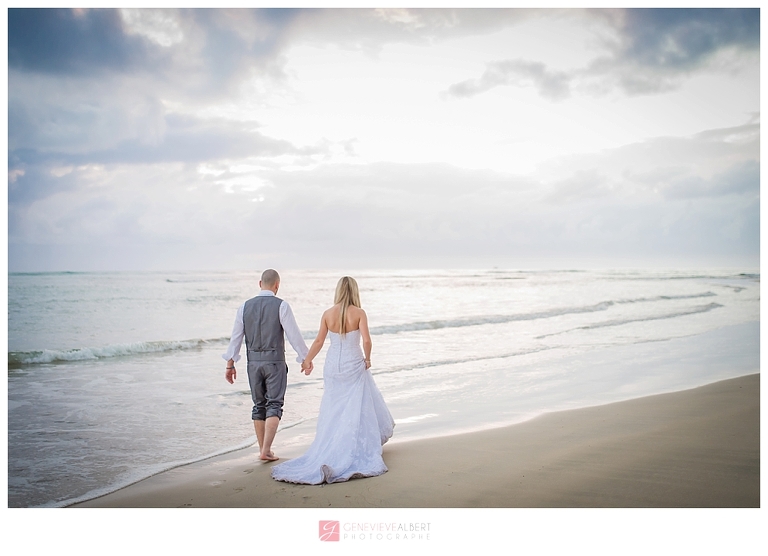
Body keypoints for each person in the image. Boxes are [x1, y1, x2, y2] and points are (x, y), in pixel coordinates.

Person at [271, 276, 394, 484]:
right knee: (355, 407)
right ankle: (352, 447)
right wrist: (368, 359)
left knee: (333, 407)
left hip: (332, 366)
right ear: (354, 291)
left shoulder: (328, 314)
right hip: (353, 363)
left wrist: (307, 360)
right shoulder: (359, 313)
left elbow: (319, 341)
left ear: (338, 291)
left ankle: (330, 445)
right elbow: (366, 340)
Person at [222, 269, 311, 462]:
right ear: (277, 285)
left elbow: (235, 338)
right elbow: (294, 335)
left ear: (260, 283)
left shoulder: (244, 307)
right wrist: (305, 358)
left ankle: (263, 449)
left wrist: (230, 364)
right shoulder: (282, 306)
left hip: (253, 364)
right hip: (275, 362)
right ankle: (266, 450)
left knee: (258, 405)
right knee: (274, 404)